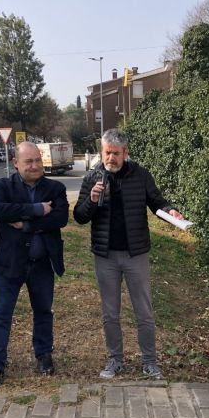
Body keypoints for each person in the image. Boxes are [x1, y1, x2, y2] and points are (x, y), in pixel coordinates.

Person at [74, 128, 184, 380]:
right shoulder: (92, 177)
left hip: (136, 255)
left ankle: (150, 361)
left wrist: (172, 211)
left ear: (126, 153)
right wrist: (91, 200)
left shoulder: (141, 175)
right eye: (107, 153)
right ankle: (115, 359)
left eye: (116, 153)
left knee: (143, 311)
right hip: (106, 256)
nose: (110, 158)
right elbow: (79, 216)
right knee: (110, 312)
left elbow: (157, 202)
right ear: (102, 152)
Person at [0, 142, 68, 387]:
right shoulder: (2, 187)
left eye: (38, 160)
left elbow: (60, 218)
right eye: (29, 161)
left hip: (41, 264)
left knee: (43, 312)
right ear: (16, 162)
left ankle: (44, 355)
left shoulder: (55, 188)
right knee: (0, 315)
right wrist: (38, 209)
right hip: (9, 264)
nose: (35, 165)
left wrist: (26, 223)